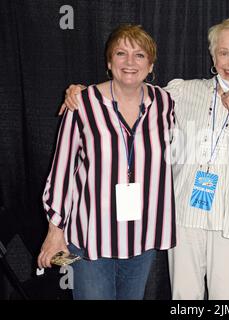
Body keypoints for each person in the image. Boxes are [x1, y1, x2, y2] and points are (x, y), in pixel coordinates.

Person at [61, 17, 229, 300]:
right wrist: (81, 93)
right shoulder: (182, 92)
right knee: (184, 299)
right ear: (213, 55)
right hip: (185, 216)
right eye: (224, 52)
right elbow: (130, 89)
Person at [37, 24, 176, 300]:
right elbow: (62, 169)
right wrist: (55, 230)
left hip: (142, 233)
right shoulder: (83, 103)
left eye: (139, 55)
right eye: (121, 53)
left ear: (150, 65)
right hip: (92, 235)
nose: (129, 62)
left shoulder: (165, 103)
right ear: (109, 62)